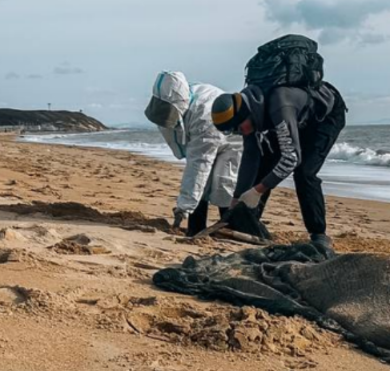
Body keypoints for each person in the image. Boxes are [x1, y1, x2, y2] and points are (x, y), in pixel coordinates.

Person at [210, 81, 346, 255]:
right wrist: (237, 199)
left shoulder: (278, 106)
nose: (240, 133)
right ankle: (248, 223)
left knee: (304, 173)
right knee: (265, 164)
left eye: (238, 128)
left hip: (324, 119)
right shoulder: (248, 112)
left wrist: (257, 191)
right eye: (234, 132)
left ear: (245, 114)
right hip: (296, 118)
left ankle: (318, 234)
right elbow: (251, 157)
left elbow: (291, 159)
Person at [144, 71, 242, 236]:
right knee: (202, 187)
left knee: (224, 184)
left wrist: (184, 206)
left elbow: (199, 165)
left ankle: (232, 228)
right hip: (210, 136)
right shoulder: (184, 97)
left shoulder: (204, 116)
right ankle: (196, 227)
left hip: (233, 141)